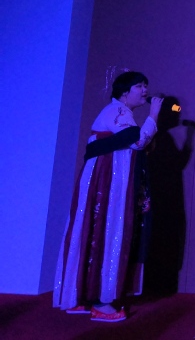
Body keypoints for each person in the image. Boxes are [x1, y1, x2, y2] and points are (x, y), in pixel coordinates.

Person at [53, 71, 163, 322]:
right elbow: (138, 142)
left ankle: (81, 296)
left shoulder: (121, 113)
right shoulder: (118, 111)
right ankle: (101, 302)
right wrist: (154, 115)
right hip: (106, 181)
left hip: (107, 179)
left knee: (94, 230)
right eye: (139, 86)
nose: (145, 91)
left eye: (146, 86)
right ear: (124, 92)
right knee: (106, 229)